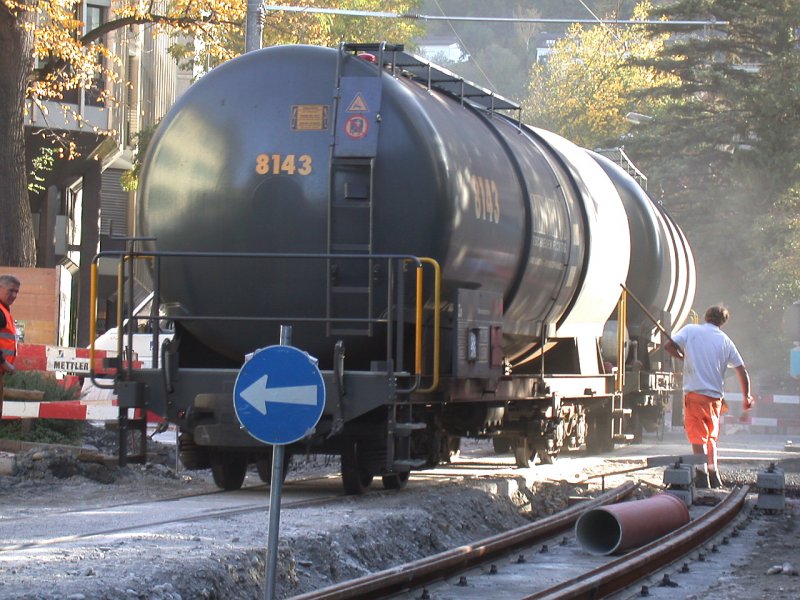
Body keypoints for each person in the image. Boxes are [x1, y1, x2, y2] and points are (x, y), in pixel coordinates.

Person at [664, 304, 753, 489]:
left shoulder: (691, 330)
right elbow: (741, 370)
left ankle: (702, 475)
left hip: (695, 393)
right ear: (723, 322)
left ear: (706, 316)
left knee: (698, 437)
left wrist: (682, 357)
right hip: (715, 398)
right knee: (711, 437)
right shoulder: (726, 341)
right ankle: (714, 474)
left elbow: (668, 346)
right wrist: (747, 396)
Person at [0, 274, 20, 412]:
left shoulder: (4, 311)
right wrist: (4, 363)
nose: (14, 295)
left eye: (16, 292)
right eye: (11, 290)